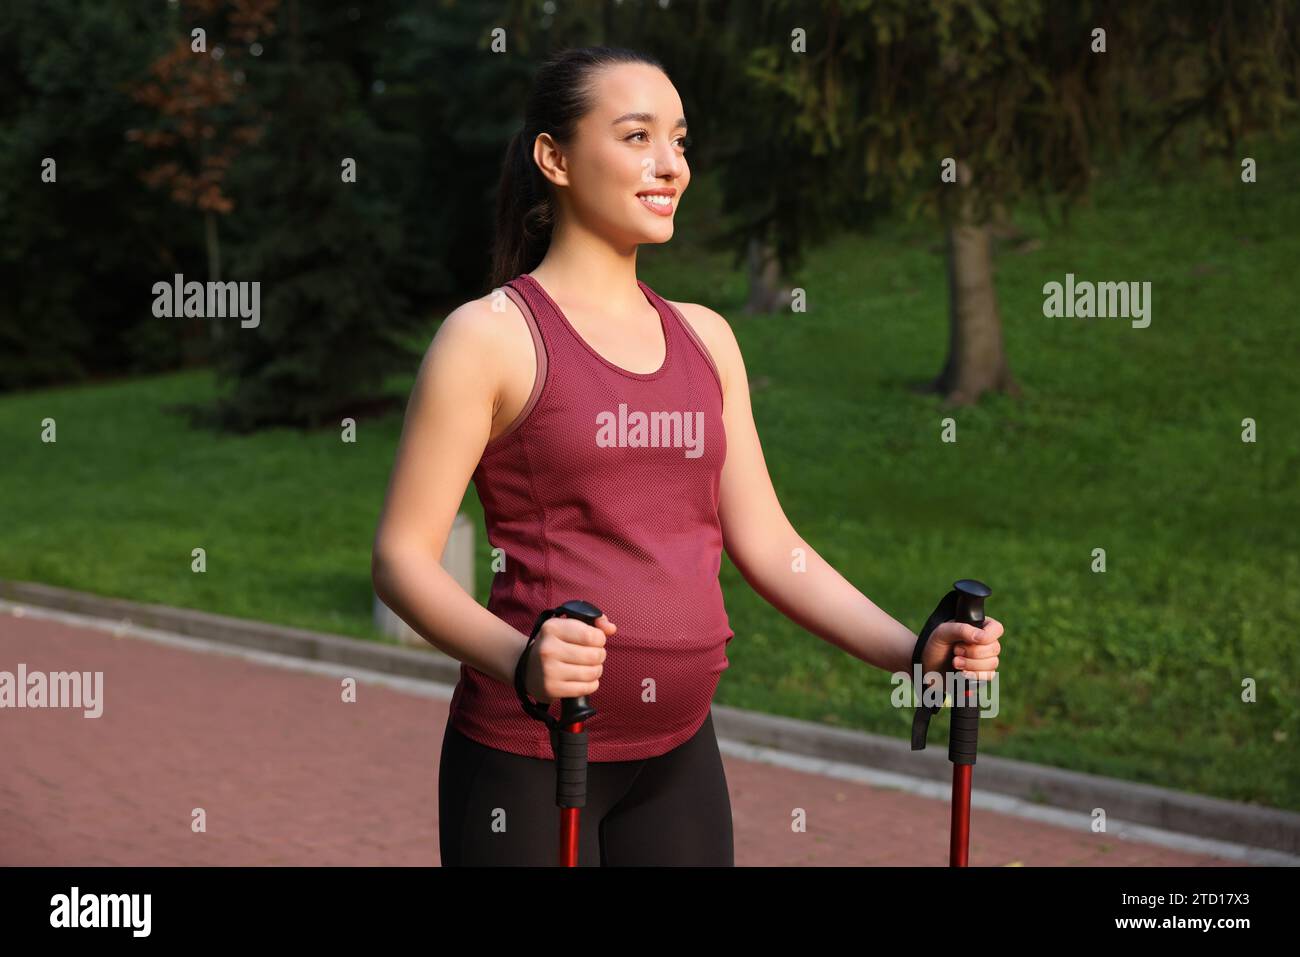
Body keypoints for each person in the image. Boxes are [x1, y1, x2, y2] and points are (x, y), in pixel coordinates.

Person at [370, 45, 1004, 866]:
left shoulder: (706, 338)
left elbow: (772, 544)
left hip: (677, 758)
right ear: (554, 158)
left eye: (679, 140)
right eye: (636, 137)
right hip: (533, 758)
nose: (669, 164)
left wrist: (912, 650)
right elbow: (402, 558)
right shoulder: (491, 337)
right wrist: (522, 662)